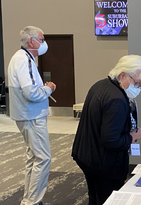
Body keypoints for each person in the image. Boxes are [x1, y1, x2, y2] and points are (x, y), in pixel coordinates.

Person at [71, 55, 141, 205]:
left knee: (95, 197)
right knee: (108, 200)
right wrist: (132, 137)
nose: (139, 88)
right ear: (122, 75)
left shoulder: (101, 85)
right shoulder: (116, 99)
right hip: (104, 164)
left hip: (87, 155)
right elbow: (111, 140)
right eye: (137, 83)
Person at [7, 26, 56, 205]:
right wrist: (48, 88)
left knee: (34, 157)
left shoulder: (22, 58)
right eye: (42, 40)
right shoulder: (24, 60)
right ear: (31, 41)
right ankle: (33, 202)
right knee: (43, 158)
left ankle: (30, 200)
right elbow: (32, 93)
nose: (44, 43)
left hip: (27, 115)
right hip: (31, 116)